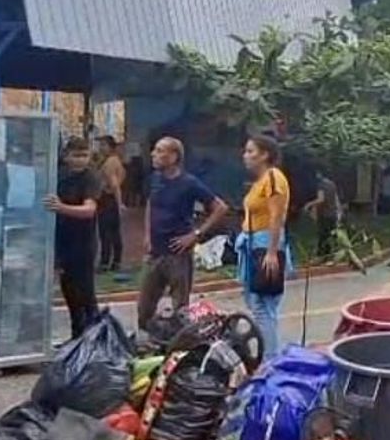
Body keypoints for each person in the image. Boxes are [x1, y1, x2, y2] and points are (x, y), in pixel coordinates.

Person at [137, 137, 229, 330]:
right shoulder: (155, 179)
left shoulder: (189, 183)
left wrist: (196, 234)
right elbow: (150, 204)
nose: (153, 154)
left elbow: (220, 208)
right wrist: (147, 234)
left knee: (180, 308)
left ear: (173, 156)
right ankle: (147, 343)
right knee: (144, 307)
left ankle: (179, 348)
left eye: (159, 150)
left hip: (178, 254)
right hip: (155, 252)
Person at [43, 136, 103, 340]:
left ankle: (95, 339)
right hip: (62, 243)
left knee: (85, 294)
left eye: (84, 155)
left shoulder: (90, 177)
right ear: (66, 156)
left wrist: (61, 208)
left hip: (83, 244)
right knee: (70, 294)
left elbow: (89, 210)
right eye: (76, 155)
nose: (80, 160)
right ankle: (76, 338)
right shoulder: (59, 175)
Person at [238, 135, 292, 358]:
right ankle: (267, 355)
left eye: (251, 152)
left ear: (265, 155)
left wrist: (272, 251)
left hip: (265, 243)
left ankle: (269, 359)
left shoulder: (273, 178)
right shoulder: (260, 182)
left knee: (263, 306)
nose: (246, 156)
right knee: (255, 302)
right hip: (252, 243)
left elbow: (276, 216)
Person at [96, 136, 126, 273]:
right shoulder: (115, 161)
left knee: (106, 232)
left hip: (107, 199)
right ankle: (116, 261)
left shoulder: (109, 163)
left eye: (103, 145)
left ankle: (105, 262)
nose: (101, 148)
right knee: (114, 232)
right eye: (100, 145)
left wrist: (119, 203)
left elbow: (114, 185)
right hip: (109, 199)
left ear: (110, 147)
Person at [304, 170, 342, 261]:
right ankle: (330, 256)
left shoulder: (320, 185)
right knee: (330, 236)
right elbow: (336, 199)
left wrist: (309, 204)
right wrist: (339, 212)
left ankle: (320, 256)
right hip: (332, 214)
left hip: (324, 214)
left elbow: (321, 199)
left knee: (322, 236)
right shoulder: (332, 184)